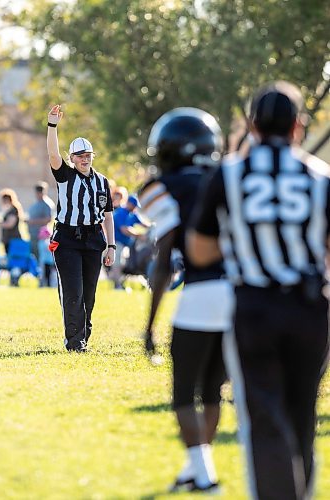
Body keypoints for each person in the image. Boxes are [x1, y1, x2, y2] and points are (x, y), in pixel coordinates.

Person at [187, 81, 330, 500]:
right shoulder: (320, 176)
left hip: (255, 305)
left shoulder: (228, 173)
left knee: (265, 418)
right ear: (298, 128)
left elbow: (198, 249)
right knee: (302, 414)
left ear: (251, 125)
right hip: (309, 308)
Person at [138, 108, 234, 493]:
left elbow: (164, 260)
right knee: (212, 390)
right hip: (240, 296)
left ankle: (205, 475)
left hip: (201, 294)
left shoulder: (161, 188)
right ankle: (196, 467)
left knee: (182, 394)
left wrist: (149, 325)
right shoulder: (228, 178)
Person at [47, 104, 116, 352]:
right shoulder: (65, 175)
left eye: (88, 155)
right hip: (67, 239)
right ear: (72, 158)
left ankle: (83, 335)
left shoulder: (101, 181)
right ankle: (75, 342)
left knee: (89, 294)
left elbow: (108, 215)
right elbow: (53, 156)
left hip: (93, 239)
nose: (85, 159)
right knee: (73, 292)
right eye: (80, 155)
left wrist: (111, 246)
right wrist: (52, 125)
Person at [109, 194, 149, 289]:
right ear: (129, 203)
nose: (135, 208)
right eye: (134, 205)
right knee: (117, 264)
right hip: (116, 243)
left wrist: (153, 226)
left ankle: (117, 282)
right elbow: (124, 230)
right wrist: (139, 235)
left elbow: (143, 224)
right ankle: (117, 286)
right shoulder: (121, 213)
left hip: (125, 244)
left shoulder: (133, 214)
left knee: (123, 265)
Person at [27, 181, 55, 259]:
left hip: (42, 236)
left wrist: (33, 221)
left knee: (40, 257)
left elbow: (48, 219)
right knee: (34, 255)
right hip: (33, 234)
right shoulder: (37, 202)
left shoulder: (46, 204)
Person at [0, 188, 23, 254]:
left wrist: (0, 224)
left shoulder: (13, 210)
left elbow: (10, 224)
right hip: (8, 240)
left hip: (13, 239)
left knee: (14, 259)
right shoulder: (9, 210)